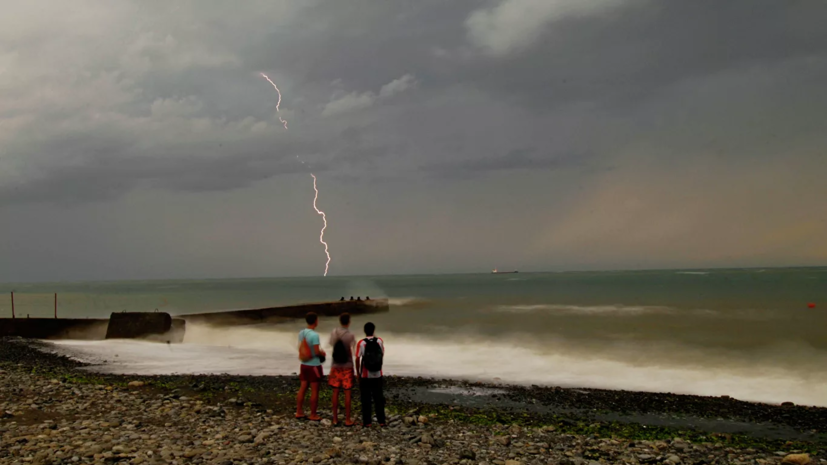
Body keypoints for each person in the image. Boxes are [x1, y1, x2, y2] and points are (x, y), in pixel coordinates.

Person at [328, 313, 357, 426]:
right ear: (349, 322)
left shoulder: (334, 332)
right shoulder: (351, 335)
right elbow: (353, 350)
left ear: (340, 321)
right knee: (347, 392)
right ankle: (347, 419)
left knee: (335, 392)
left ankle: (335, 419)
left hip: (335, 365)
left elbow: (331, 344)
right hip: (347, 365)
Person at [296, 312, 326, 421]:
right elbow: (316, 351)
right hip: (314, 365)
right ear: (315, 321)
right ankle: (313, 414)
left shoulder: (302, 333)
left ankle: (299, 411)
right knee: (314, 390)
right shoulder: (314, 335)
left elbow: (302, 347)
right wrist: (323, 354)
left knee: (303, 387)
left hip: (304, 364)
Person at [355, 322, 385, 427]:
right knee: (379, 398)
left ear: (365, 331)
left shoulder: (361, 343)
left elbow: (358, 358)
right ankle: (382, 421)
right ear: (374, 330)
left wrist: (358, 373)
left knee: (366, 399)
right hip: (378, 374)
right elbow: (382, 354)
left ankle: (367, 422)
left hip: (365, 375)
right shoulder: (379, 341)